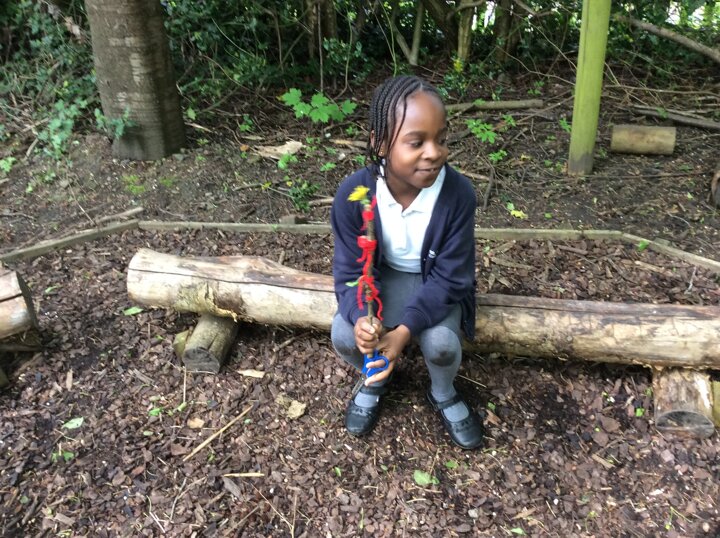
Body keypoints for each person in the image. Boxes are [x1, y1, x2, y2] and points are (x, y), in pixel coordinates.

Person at [330, 75, 484, 449]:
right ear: (380, 143)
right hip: (384, 279)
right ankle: (376, 376)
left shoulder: (457, 195)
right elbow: (350, 271)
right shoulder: (355, 195)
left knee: (442, 344)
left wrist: (403, 332)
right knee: (345, 335)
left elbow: (452, 277)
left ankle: (443, 391)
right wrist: (362, 318)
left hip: (434, 284)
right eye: (416, 142)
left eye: (441, 139)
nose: (434, 152)